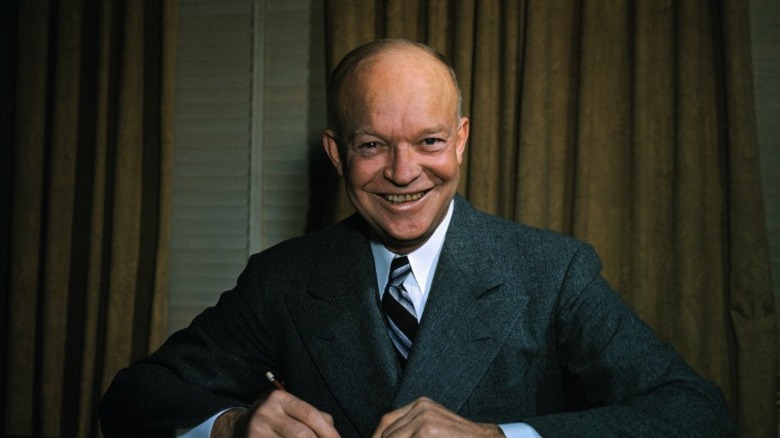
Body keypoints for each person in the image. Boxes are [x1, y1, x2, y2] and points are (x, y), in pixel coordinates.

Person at [99, 39, 736, 438]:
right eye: (373, 145)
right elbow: (132, 399)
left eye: (429, 142)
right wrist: (231, 427)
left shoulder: (553, 271)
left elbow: (696, 414)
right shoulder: (282, 279)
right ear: (336, 153)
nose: (404, 175)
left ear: (461, 139)